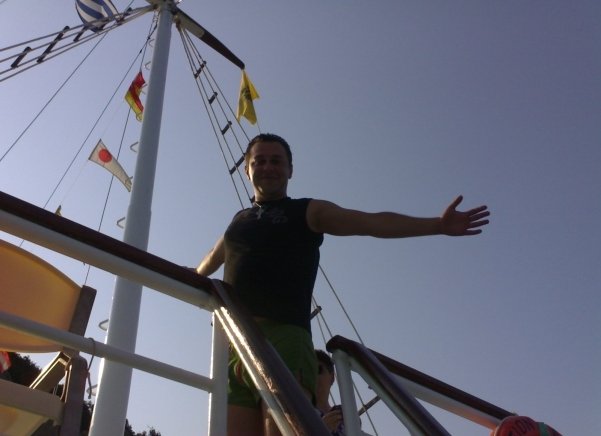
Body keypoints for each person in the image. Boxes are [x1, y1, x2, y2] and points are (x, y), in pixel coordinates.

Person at [196, 133, 490, 436]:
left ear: (290, 170)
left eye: (276, 161)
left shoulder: (308, 211)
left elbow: (370, 222)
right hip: (235, 342)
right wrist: (189, 276)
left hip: (284, 338)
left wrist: (437, 225)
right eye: (259, 161)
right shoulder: (239, 222)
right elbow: (211, 259)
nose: (268, 167)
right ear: (247, 169)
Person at [315, 349, 345, 435]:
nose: (314, 376)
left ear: (332, 378)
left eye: (319, 370)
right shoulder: (296, 417)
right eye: (309, 372)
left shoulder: (346, 415)